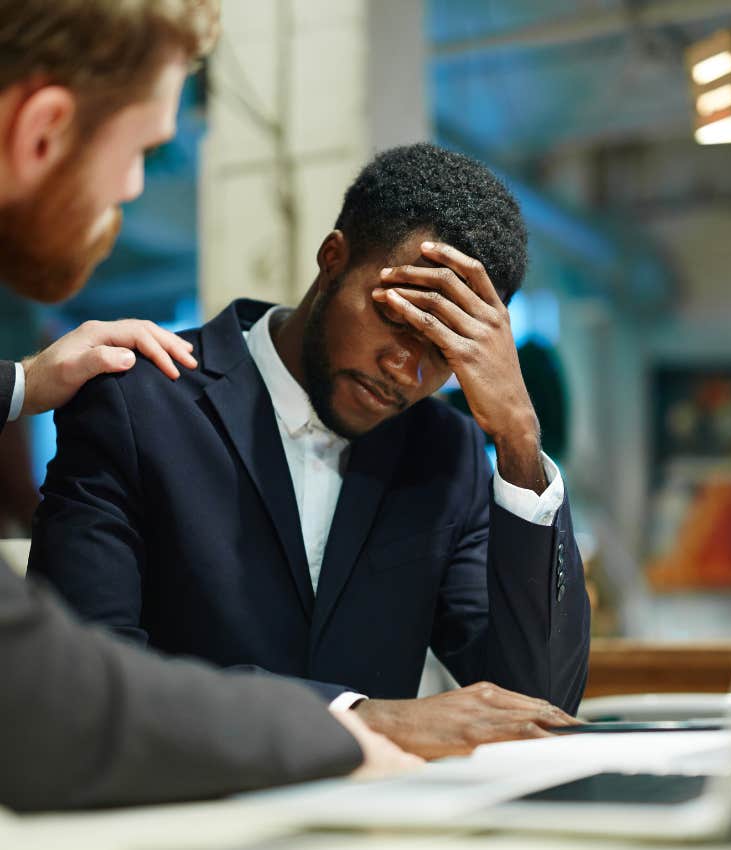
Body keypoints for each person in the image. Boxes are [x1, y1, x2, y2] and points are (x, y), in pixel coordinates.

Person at [30, 143, 592, 760]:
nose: (406, 368)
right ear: (333, 259)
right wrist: (361, 720)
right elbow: (78, 677)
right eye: (396, 318)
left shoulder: (446, 452)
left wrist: (519, 440)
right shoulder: (139, 403)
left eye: (444, 350)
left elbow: (539, 701)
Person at [0, 0, 418, 814]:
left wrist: (21, 384)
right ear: (42, 131)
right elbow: (44, 705)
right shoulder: (135, 412)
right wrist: (341, 734)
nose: (132, 190)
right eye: (148, 151)